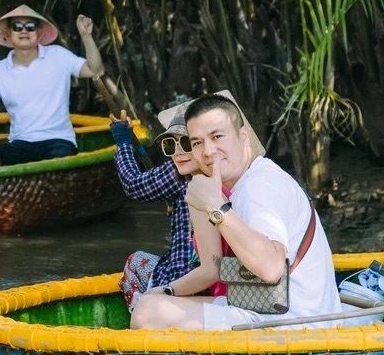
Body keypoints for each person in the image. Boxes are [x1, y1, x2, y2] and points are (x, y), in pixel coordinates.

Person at [129, 94, 340, 331]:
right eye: (197, 142)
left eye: (217, 136)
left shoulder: (258, 187)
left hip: (296, 323)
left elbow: (271, 268)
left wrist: (214, 205)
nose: (208, 151)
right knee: (153, 302)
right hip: (275, 307)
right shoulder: (246, 182)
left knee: (147, 313)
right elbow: (216, 267)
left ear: (243, 138)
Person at [0, 4, 104, 166]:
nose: (24, 31)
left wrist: (86, 36)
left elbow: (95, 70)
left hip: (58, 140)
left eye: (30, 27)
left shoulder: (58, 55)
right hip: (20, 144)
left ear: (39, 33)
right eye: (17, 27)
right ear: (8, 34)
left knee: (57, 165)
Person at [112, 98, 203, 299]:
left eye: (186, 143)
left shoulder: (178, 174)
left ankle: (143, 311)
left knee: (135, 261)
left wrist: (123, 143)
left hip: (181, 279)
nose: (178, 152)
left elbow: (133, 184)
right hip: (201, 280)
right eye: (170, 145)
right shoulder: (226, 173)